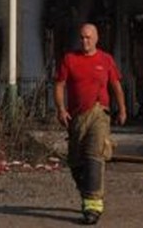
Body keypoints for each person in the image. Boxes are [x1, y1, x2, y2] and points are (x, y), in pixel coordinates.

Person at [54, 22, 127, 225]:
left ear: (96, 38)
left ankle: (93, 207)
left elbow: (116, 86)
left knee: (94, 154)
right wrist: (61, 109)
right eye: (82, 37)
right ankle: (88, 194)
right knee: (76, 161)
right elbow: (59, 85)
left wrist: (122, 109)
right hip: (77, 117)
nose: (85, 41)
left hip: (99, 113)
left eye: (88, 37)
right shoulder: (69, 59)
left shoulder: (105, 59)